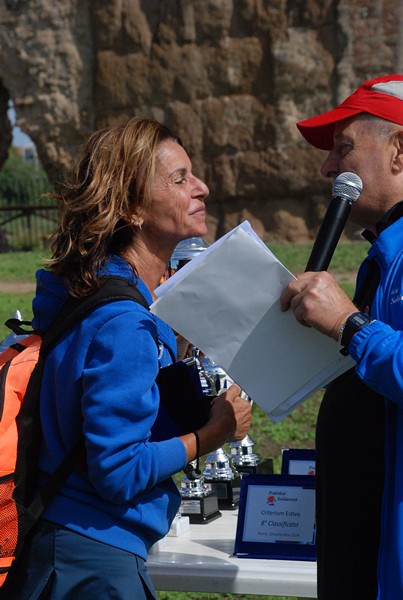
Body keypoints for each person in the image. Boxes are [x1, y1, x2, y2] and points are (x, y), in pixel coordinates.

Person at [0, 117, 252, 599]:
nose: (200, 187)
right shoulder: (123, 322)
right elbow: (118, 471)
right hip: (94, 562)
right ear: (134, 208)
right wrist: (211, 435)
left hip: (64, 547)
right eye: (179, 179)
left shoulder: (91, 294)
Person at [280, 73, 403, 600]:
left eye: (344, 148)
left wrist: (350, 326)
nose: (329, 167)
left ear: (399, 150)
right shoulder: (385, 256)